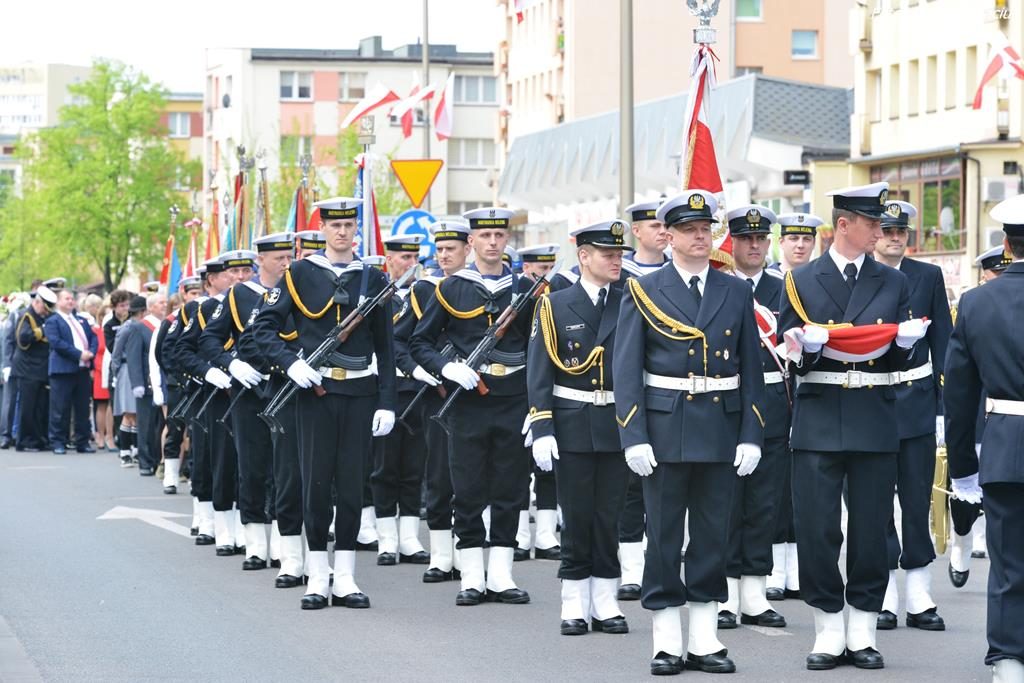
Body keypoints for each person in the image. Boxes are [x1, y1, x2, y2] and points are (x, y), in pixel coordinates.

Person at [613, 190, 765, 676]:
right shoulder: (644, 289)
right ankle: (666, 641)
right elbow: (626, 369)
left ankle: (704, 639)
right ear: (669, 236)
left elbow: (751, 369)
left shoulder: (735, 290)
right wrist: (633, 435)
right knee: (662, 537)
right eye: (688, 230)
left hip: (720, 426)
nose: (700, 237)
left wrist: (751, 434)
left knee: (711, 536)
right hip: (665, 429)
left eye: (705, 229)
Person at [778, 182, 929, 671]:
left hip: (873, 414)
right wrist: (804, 350)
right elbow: (788, 355)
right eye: (871, 224)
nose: (880, 233)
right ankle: (827, 626)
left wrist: (906, 343)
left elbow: (902, 357)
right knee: (817, 529)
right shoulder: (801, 280)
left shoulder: (893, 281)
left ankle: (863, 627)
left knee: (871, 530)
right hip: (819, 415)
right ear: (843, 225)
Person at [250, 196, 397, 610]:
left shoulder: (371, 278)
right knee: (315, 484)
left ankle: (345, 576)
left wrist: (387, 402)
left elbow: (386, 349)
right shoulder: (299, 274)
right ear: (323, 229)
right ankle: (317, 573)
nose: (342, 232)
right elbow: (263, 330)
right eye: (335, 225)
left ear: (356, 229)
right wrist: (290, 363)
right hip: (314, 395)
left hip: (359, 393)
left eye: (348, 225)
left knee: (351, 485)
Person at [410, 206, 538, 607]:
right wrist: (447, 368)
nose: (493, 242)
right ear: (471, 242)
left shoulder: (525, 288)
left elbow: (538, 347)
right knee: (466, 487)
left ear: (507, 240)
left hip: (513, 396)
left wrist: (537, 405)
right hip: (467, 400)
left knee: (511, 487)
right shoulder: (450, 288)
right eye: (485, 236)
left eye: (499, 236)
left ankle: (500, 574)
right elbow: (420, 342)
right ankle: (470, 575)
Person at [526, 220, 632, 636]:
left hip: (617, 423)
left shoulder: (629, 300)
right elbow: (539, 370)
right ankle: (573, 599)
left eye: (619, 254)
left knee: (609, 516)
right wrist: (542, 426)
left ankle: (605, 600)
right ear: (584, 256)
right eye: (608, 254)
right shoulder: (554, 304)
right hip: (572, 422)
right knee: (577, 514)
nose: (616, 261)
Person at [944, 193, 1024, 682]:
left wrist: (962, 469)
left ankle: (1009, 661)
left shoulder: (976, 302)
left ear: (1006, 245)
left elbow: (958, 396)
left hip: (1005, 448)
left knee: (1009, 563)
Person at [869, 201, 953, 632]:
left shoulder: (928, 275)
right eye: (887, 230)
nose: (894, 237)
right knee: (876, 502)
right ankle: (883, 592)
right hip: (873, 401)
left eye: (900, 231)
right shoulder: (862, 274)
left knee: (918, 500)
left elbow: (944, 345)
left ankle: (919, 594)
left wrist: (943, 409)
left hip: (918, 400)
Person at [200, 235, 293, 571]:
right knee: (252, 468)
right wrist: (231, 364)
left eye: (289, 257)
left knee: (285, 471)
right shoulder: (239, 295)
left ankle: (284, 544)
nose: (286, 264)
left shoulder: (296, 291)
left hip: (286, 388)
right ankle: (255, 544)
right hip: (249, 391)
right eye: (279, 258)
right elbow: (209, 339)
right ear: (261, 260)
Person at [716, 205, 788, 631]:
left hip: (774, 400)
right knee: (726, 502)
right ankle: (725, 594)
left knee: (764, 501)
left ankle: (756, 593)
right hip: (728, 401)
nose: (755, 246)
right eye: (746, 238)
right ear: (733, 243)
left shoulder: (786, 289)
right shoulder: (719, 287)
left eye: (762, 238)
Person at [400, 220, 472, 583]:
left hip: (476, 395)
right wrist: (418, 370)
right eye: (439, 250)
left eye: (451, 249)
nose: (444, 256)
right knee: (440, 475)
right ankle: (442, 554)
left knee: (473, 477)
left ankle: (469, 552)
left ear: (467, 250)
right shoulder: (424, 290)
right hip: (437, 394)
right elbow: (400, 340)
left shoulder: (481, 287)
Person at [174, 251, 252, 555]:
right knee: (220, 460)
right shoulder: (206, 309)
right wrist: (208, 373)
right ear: (220, 278)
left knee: (250, 463)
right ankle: (222, 528)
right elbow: (182, 350)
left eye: (246, 271)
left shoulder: (259, 302)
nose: (241, 278)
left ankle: (248, 528)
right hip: (217, 396)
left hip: (252, 392)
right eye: (234, 273)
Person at [765, 213, 822, 602]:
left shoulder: (818, 283)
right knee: (774, 485)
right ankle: (774, 567)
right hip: (774, 393)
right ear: (781, 242)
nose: (800, 245)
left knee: (806, 486)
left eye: (806, 239)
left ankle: (798, 567)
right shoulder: (769, 284)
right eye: (793, 239)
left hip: (813, 391)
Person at [370, 233, 431, 566]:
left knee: (413, 465)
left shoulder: (424, 294)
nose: (410, 264)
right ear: (388, 260)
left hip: (417, 390)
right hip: (385, 389)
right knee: (384, 466)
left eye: (414, 258)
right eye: (404, 258)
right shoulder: (377, 296)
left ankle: (408, 538)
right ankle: (386, 539)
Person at [515, 243, 562, 562]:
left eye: (549, 269)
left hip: (547, 388)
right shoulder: (517, 297)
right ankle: (519, 535)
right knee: (517, 466)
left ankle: (546, 535)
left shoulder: (556, 297)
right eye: (539, 270)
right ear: (526, 269)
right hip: (517, 388)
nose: (545, 276)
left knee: (547, 466)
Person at [163, 267, 216, 542]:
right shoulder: (190, 311)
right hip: (198, 389)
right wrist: (189, 378)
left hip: (229, 390)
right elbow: (168, 350)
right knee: (199, 449)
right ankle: (201, 514)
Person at [154, 278, 201, 494]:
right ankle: (170, 474)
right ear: (184, 295)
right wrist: (176, 376)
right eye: (192, 293)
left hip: (200, 382)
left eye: (199, 292)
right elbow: (161, 352)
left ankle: (193, 473)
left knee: (197, 430)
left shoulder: (208, 314)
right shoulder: (173, 320)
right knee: (175, 428)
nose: (196, 297)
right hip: (178, 383)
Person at [44, 289, 98, 454]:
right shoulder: (53, 321)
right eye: (66, 299)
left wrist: (91, 352)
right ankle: (58, 441)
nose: (70, 301)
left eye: (71, 299)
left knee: (82, 408)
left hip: (82, 369)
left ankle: (82, 441)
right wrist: (79, 354)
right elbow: (57, 343)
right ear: (58, 302)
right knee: (60, 408)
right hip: (63, 370)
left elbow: (93, 337)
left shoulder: (81, 320)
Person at [13, 286, 57, 451]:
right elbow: (22, 339)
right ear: (38, 303)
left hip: (40, 368)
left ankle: (39, 439)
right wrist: (42, 331)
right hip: (27, 368)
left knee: (40, 407)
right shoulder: (27, 316)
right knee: (28, 407)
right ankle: (24, 440)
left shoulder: (44, 316)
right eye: (44, 308)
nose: (46, 312)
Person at [109, 296, 148, 469]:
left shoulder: (138, 326)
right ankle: (125, 451)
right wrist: (116, 373)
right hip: (126, 370)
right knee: (129, 413)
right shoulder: (127, 327)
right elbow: (116, 353)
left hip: (136, 369)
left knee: (136, 413)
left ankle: (135, 449)